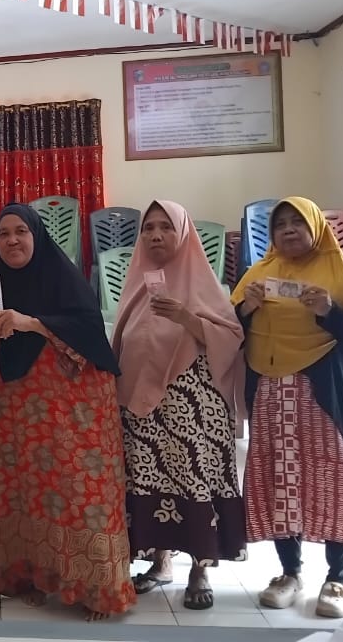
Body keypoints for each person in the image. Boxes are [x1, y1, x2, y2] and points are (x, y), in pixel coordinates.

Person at [0, 203, 134, 621]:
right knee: (29, 490)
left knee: (80, 489)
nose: (11, 240)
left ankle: (98, 587)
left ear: (38, 236)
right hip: (22, 410)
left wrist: (30, 323)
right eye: (3, 233)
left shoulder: (66, 281)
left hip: (74, 410)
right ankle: (35, 576)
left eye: (20, 232)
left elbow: (87, 333)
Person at [231, 196, 343, 619]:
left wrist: (331, 313)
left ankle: (337, 578)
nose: (288, 230)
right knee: (279, 478)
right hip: (271, 392)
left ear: (316, 227)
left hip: (328, 396)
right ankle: (289, 573)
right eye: (280, 224)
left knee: (335, 479)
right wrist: (246, 308)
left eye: (297, 222)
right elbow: (228, 333)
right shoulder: (257, 275)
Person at [111, 201, 247, 611]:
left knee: (193, 479)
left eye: (166, 227)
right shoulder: (136, 284)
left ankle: (199, 569)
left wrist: (188, 319)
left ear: (183, 233)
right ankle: (160, 561)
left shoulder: (203, 286)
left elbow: (231, 338)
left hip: (193, 410)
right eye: (148, 227)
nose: (155, 235)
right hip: (143, 410)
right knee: (149, 479)